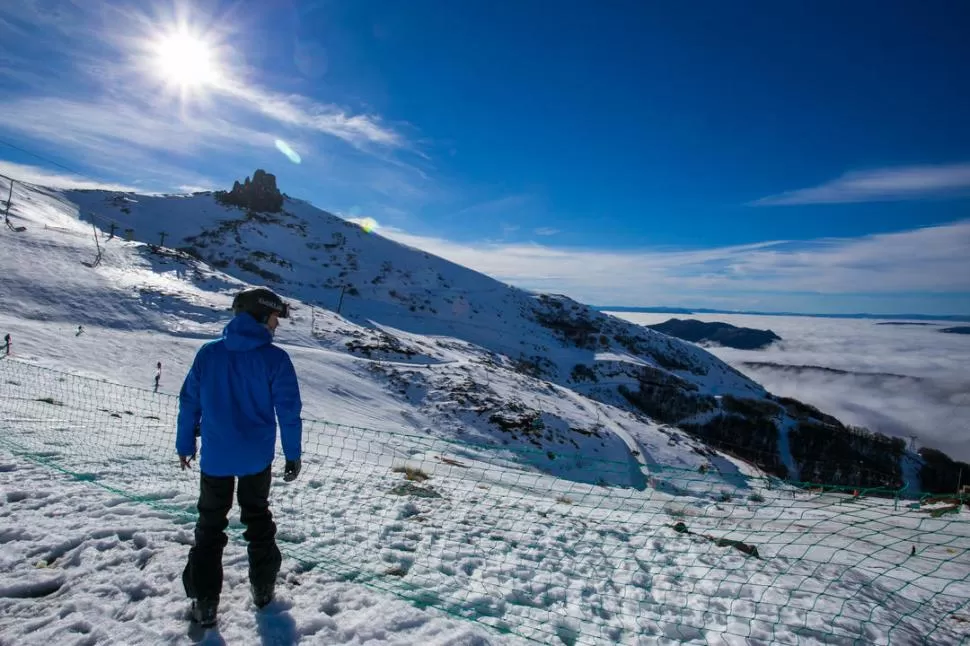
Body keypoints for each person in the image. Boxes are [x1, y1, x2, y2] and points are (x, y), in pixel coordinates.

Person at [176, 287, 303, 626]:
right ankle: (263, 589)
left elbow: (189, 401)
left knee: (210, 525)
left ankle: (204, 602)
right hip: (256, 459)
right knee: (258, 519)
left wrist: (185, 444)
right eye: (275, 318)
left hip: (216, 457)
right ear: (261, 316)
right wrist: (293, 454)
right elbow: (289, 413)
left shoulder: (208, 354)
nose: (276, 326)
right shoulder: (275, 359)